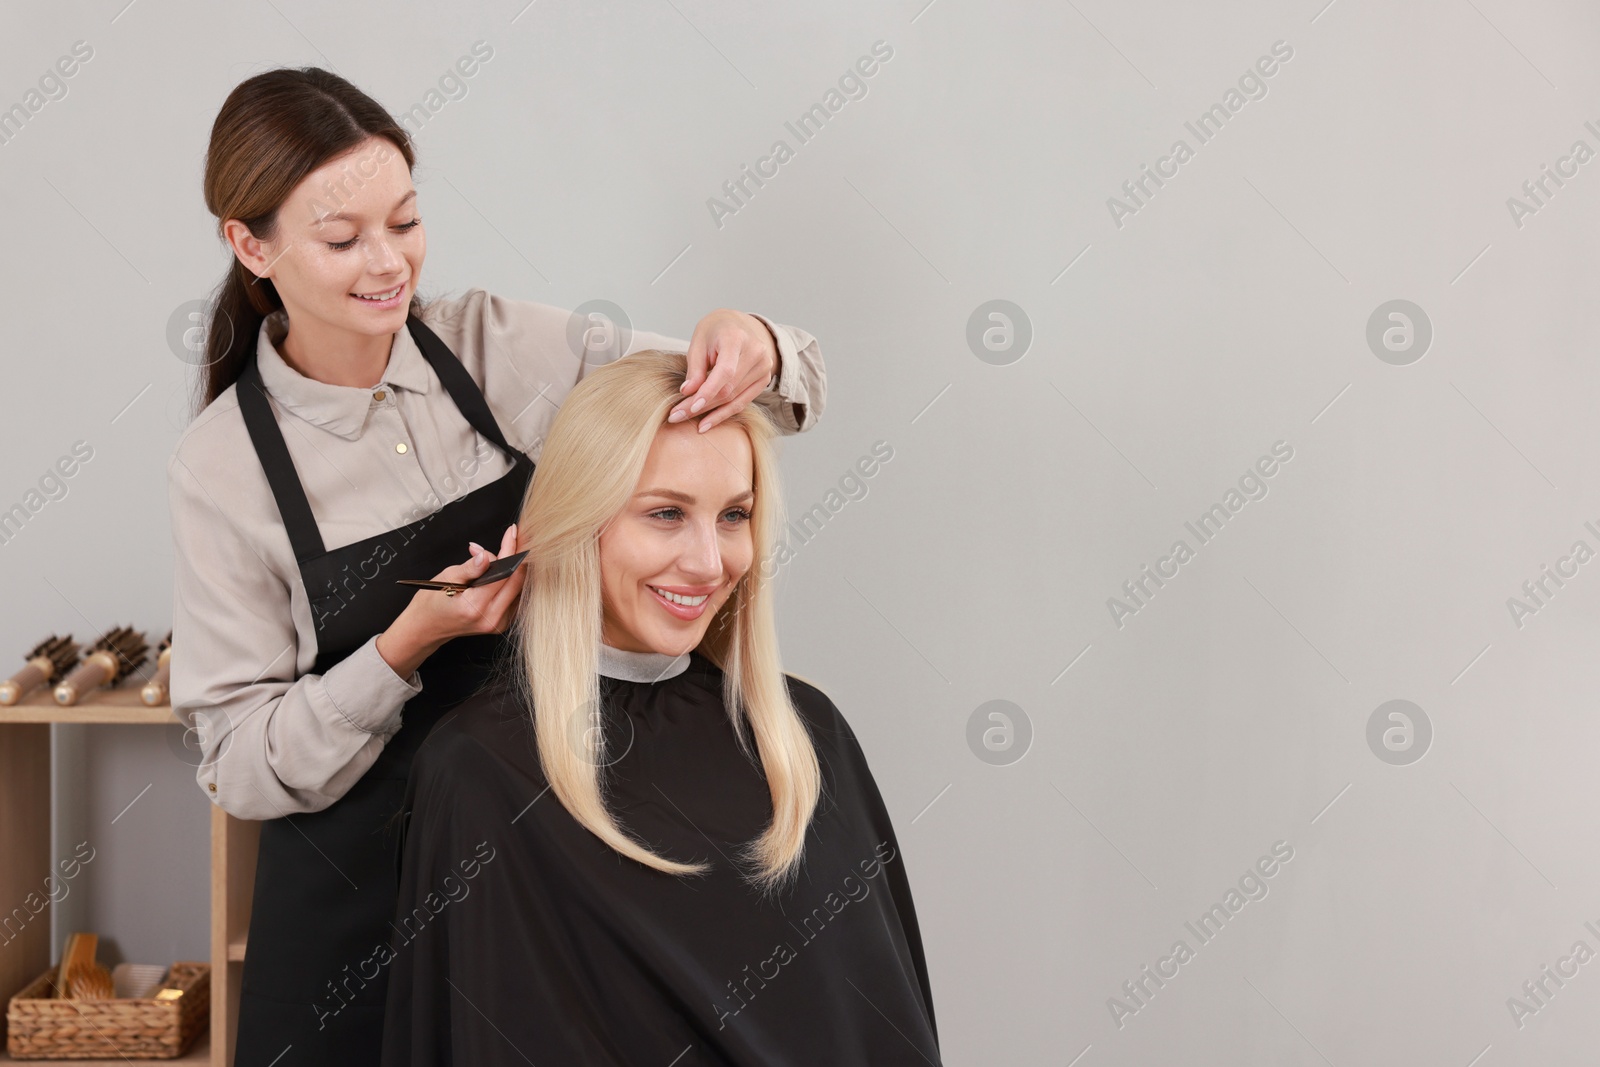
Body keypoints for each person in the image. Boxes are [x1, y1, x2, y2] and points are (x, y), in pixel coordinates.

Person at [166, 68, 827, 1067]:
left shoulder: (488, 342)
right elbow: (239, 764)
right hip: (361, 912)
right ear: (249, 244)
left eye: (405, 221)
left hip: (535, 873)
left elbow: (742, 396)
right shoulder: (220, 466)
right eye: (343, 240)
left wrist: (756, 347)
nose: (388, 263)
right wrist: (400, 647)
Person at [380, 348, 939, 1065]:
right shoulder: (483, 769)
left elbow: (884, 1025)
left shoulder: (804, 735)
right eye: (667, 513)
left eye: (734, 514)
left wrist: (766, 347)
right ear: (580, 522)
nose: (710, 562)